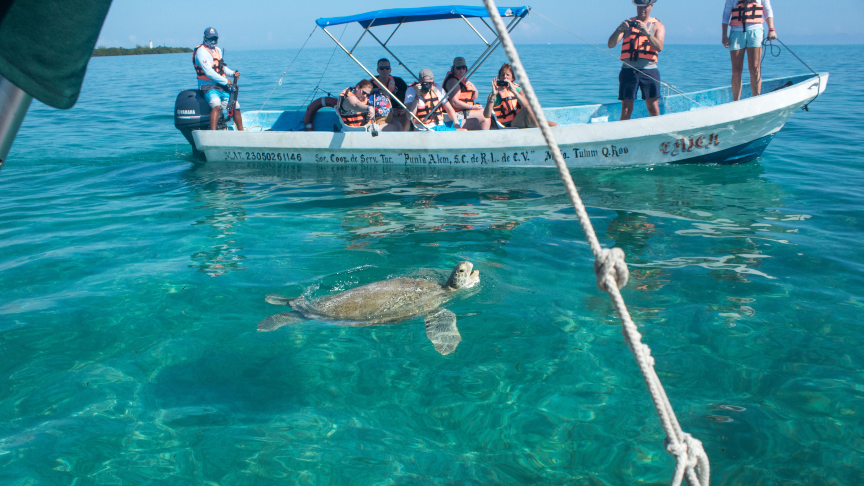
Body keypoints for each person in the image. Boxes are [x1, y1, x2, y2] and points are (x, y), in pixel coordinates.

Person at [607, 0, 666, 121]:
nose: (642, 10)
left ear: (651, 6)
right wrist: (619, 29)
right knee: (626, 109)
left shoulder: (658, 25)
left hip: (649, 70)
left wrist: (647, 32)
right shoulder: (628, 24)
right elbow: (611, 44)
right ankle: (623, 135)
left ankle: (657, 132)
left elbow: (659, 47)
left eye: (645, 7)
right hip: (628, 70)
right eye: (639, 7)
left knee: (653, 107)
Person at [722, 0, 776, 101]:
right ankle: (736, 101)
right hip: (736, 33)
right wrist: (724, 35)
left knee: (755, 69)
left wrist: (771, 29)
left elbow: (767, 10)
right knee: (736, 71)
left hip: (755, 31)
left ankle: (756, 99)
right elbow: (726, 14)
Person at [193, 27, 244, 131]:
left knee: (236, 105)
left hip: (220, 86)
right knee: (216, 104)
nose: (213, 41)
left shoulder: (217, 50)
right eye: (210, 39)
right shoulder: (201, 51)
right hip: (206, 86)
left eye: (215, 39)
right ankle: (213, 133)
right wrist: (226, 81)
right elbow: (208, 72)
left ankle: (241, 131)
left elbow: (221, 68)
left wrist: (232, 74)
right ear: (205, 38)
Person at [483, 64, 557, 129]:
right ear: (498, 78)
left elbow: (526, 105)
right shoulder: (494, 94)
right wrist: (493, 96)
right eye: (502, 75)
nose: (505, 77)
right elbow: (486, 115)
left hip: (524, 119)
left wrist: (514, 91)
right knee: (528, 110)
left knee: (555, 125)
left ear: (513, 78)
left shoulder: (518, 89)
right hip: (510, 125)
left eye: (508, 74)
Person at [441, 57, 490, 131]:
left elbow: (475, 96)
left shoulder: (463, 80)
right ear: (453, 69)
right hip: (455, 113)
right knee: (485, 116)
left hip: (463, 110)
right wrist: (472, 107)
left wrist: (472, 85)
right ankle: (484, 138)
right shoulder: (453, 81)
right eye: (458, 68)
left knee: (487, 112)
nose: (461, 70)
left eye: (463, 67)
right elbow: (454, 102)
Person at [370, 58, 409, 130]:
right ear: (377, 70)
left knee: (407, 117)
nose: (384, 70)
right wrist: (377, 90)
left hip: (399, 111)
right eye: (381, 68)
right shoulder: (370, 84)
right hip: (381, 114)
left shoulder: (399, 81)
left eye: (387, 68)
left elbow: (409, 96)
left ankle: (404, 137)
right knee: (397, 125)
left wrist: (405, 108)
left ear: (390, 70)